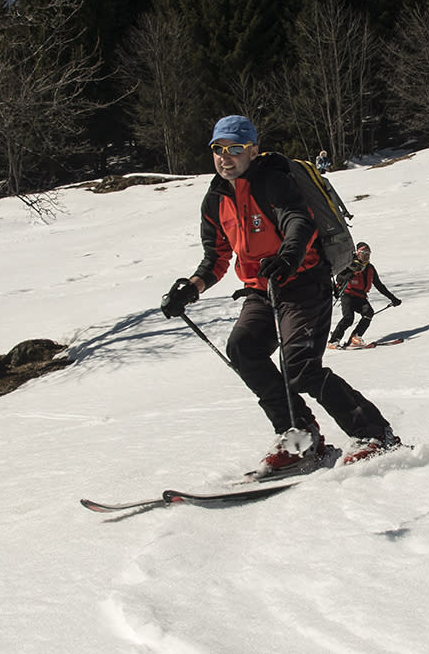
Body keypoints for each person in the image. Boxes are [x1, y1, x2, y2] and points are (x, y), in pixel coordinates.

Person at [159, 115, 401, 473]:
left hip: (303, 282)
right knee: (243, 349)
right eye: (218, 149)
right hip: (262, 290)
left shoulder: (273, 181)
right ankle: (300, 437)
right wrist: (191, 288)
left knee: (300, 366)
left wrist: (288, 257)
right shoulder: (215, 199)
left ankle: (374, 433)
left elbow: (298, 223)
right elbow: (217, 256)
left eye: (235, 149)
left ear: (253, 150)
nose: (225, 157)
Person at [330, 243, 401, 348]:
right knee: (349, 318)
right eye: (364, 252)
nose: (366, 255)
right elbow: (339, 278)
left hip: (361, 296)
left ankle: (356, 337)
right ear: (357, 253)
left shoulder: (370, 268)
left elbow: (379, 285)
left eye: (368, 253)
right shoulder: (349, 264)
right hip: (348, 294)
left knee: (368, 312)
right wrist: (349, 275)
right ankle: (333, 340)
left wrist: (393, 298)